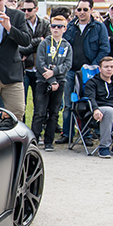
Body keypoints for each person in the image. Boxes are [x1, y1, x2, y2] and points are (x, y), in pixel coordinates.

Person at [58, 0, 109, 145]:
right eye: (79, 9)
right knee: (68, 103)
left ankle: (86, 135)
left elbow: (104, 49)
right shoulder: (70, 27)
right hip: (70, 71)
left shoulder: (99, 27)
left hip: (89, 73)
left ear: (91, 10)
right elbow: (63, 47)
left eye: (85, 9)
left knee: (87, 103)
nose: (81, 12)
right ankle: (67, 133)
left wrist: (92, 66)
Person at [33, 15, 71, 152]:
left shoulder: (67, 46)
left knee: (54, 112)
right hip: (43, 81)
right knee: (40, 112)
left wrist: (54, 73)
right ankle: (35, 139)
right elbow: (40, 63)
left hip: (59, 82)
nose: (56, 28)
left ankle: (49, 141)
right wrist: (50, 79)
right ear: (50, 27)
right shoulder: (44, 43)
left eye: (59, 26)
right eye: (53, 26)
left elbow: (67, 64)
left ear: (64, 29)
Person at [19, 0, 50, 124]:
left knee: (40, 103)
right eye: (23, 9)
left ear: (36, 9)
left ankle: (37, 131)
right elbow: (19, 45)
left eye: (29, 9)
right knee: (22, 103)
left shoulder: (45, 24)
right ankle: (23, 129)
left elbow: (47, 43)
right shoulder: (20, 23)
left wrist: (28, 48)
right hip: (24, 67)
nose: (26, 12)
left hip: (40, 68)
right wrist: (38, 42)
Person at [84, 56, 113, 158]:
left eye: (112, 67)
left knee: (111, 111)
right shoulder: (92, 83)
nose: (109, 69)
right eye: (106, 67)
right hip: (98, 109)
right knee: (109, 111)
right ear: (100, 69)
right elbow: (91, 98)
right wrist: (96, 109)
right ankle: (104, 147)